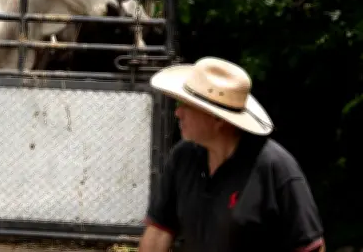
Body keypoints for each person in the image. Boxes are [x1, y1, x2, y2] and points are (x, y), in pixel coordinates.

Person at [138, 56, 326, 252]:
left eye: (187, 105)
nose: (178, 113)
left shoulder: (276, 168)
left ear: (218, 119)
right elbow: (159, 230)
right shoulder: (183, 157)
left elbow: (309, 247)